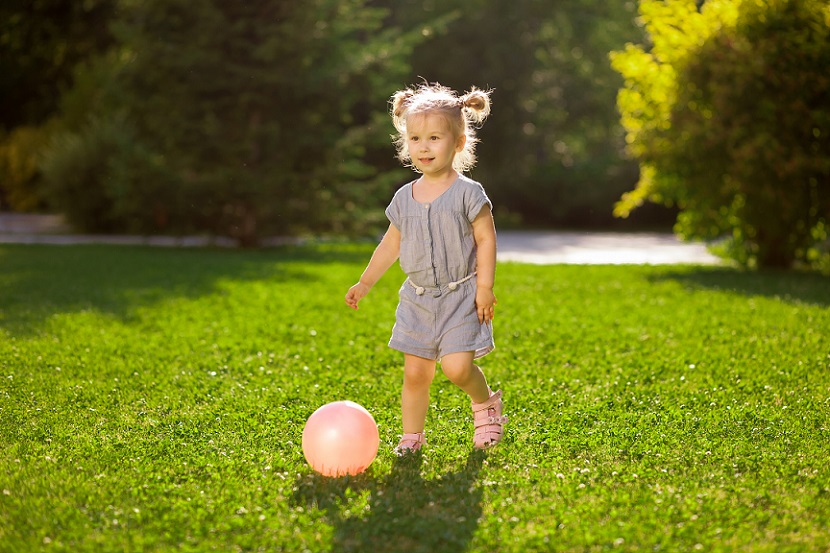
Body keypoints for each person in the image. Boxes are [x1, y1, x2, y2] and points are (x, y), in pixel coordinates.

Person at [345, 82, 507, 454]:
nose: (423, 146)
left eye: (434, 137)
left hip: (461, 296)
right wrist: (365, 282)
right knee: (416, 373)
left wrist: (485, 287)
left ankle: (486, 406)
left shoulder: (469, 193)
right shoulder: (405, 197)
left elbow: (486, 239)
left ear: (458, 142)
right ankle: (412, 436)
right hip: (417, 301)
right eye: (415, 138)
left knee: (457, 369)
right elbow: (390, 244)